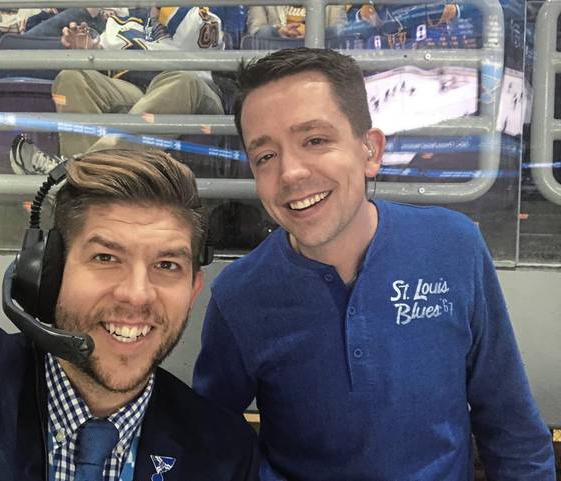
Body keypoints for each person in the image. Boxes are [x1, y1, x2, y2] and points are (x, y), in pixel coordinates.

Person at [192, 47, 555, 480]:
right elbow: (210, 442)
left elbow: (512, 427)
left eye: (315, 140)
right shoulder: (239, 295)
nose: (290, 173)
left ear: (370, 151)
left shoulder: (453, 247)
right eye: (265, 156)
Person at [0, 148, 259, 481]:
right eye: (106, 258)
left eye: (167, 265)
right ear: (48, 273)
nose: (137, 294)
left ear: (193, 289)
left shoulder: (225, 451)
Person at [9, 7, 225, 175]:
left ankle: (76, 171)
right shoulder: (122, 22)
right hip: (141, 93)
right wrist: (89, 51)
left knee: (180, 80)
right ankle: (83, 187)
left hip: (195, 93)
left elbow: (201, 42)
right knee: (72, 77)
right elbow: (105, 63)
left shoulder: (203, 16)